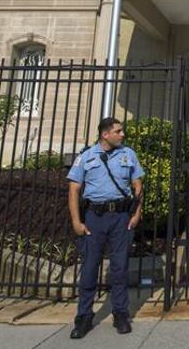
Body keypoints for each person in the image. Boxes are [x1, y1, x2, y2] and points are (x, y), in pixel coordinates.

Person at [66, 117, 145, 339]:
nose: (122, 135)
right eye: (118, 131)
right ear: (105, 134)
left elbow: (138, 186)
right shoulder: (87, 156)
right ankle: (84, 316)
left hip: (121, 217)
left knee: (120, 267)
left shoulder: (128, 155)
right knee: (90, 267)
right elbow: (73, 190)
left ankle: (121, 313)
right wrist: (76, 222)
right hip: (95, 217)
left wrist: (137, 213)